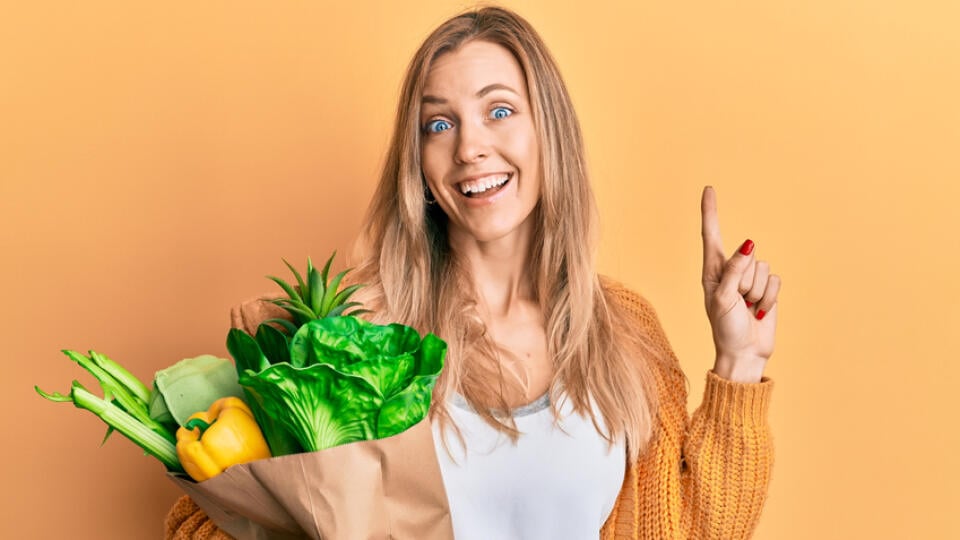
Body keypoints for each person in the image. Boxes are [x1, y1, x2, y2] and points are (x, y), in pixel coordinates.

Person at [166, 6, 780, 539]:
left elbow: (691, 532)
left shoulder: (623, 332)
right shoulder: (349, 331)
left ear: (550, 132)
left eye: (500, 111)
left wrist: (741, 363)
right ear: (420, 161)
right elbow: (202, 524)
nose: (469, 147)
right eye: (439, 124)